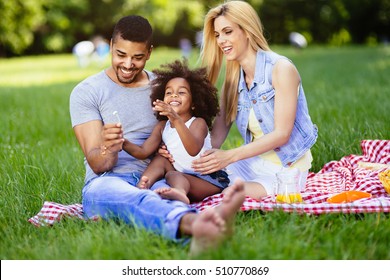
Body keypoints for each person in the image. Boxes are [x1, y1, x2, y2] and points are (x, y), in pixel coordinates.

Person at [69, 15, 245, 255]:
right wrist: (109, 146)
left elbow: (185, 129)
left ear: (149, 53)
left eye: (137, 57)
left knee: (163, 196)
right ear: (110, 46)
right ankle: (198, 224)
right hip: (107, 181)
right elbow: (98, 164)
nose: (128, 64)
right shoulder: (87, 92)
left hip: (157, 175)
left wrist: (169, 151)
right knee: (138, 200)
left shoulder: (163, 88)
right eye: (121, 54)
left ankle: (197, 236)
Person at [189, 0, 318, 200]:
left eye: (228, 32)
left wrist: (229, 156)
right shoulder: (232, 82)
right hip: (253, 163)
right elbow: (215, 138)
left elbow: (282, 134)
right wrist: (185, 150)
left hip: (287, 169)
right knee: (192, 178)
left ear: (247, 31)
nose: (221, 40)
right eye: (217, 35)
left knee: (228, 193)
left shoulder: (281, 69)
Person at [123, 59, 230, 204]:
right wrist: (122, 142)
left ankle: (180, 193)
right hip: (182, 174)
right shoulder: (162, 126)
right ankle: (141, 186)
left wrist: (176, 119)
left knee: (174, 175)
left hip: (207, 180)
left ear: (194, 103)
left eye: (181, 92)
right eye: (169, 92)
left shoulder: (198, 123)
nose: (174, 95)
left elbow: (192, 149)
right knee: (160, 160)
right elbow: (143, 151)